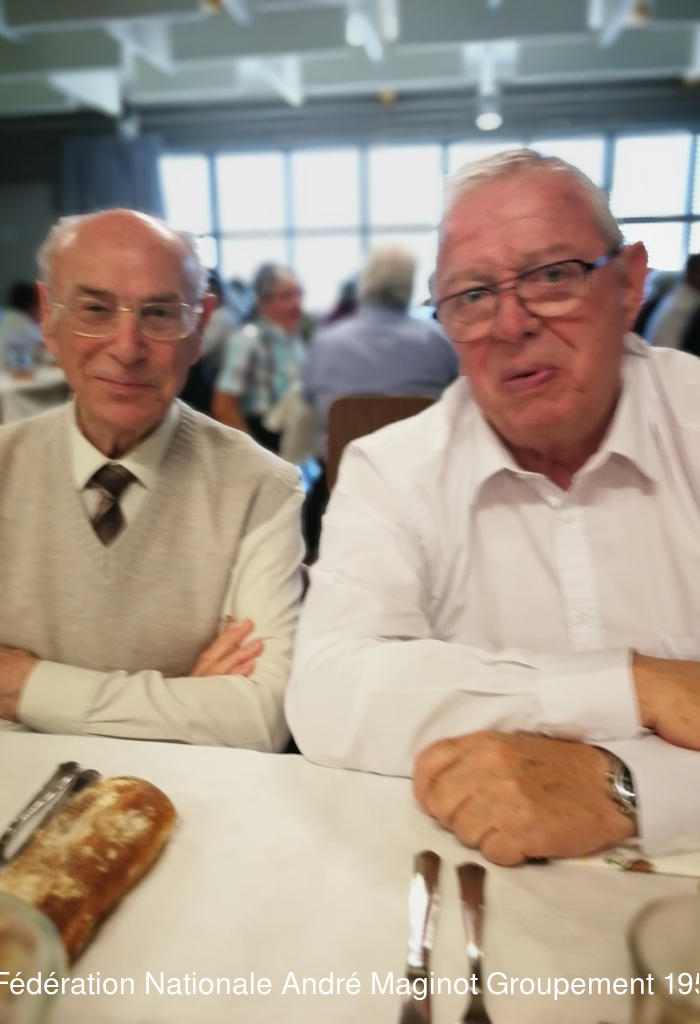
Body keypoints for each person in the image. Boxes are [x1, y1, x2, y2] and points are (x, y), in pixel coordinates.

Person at [286, 149, 700, 865]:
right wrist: (633, 685)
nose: (511, 324)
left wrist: (628, 788)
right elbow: (329, 691)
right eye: (473, 295)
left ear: (629, 281)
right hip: (477, 872)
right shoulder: (393, 469)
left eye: (552, 276)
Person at [0, 209, 304, 751]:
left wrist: (31, 688)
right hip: (20, 796)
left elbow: (260, 718)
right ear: (47, 316)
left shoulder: (260, 487)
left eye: (160, 314)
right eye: (95, 309)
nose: (127, 348)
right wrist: (182, 707)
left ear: (199, 327)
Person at [302, 243, 458, 461]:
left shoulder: (325, 343)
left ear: (365, 282)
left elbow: (308, 400)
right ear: (409, 285)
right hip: (419, 468)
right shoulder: (437, 341)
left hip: (342, 470)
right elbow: (460, 396)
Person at [212, 263, 306, 452]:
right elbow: (223, 406)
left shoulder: (293, 340)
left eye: (298, 294)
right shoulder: (248, 339)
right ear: (264, 303)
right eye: (287, 296)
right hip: (266, 438)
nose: (297, 303)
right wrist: (256, 454)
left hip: (296, 436)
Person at [641, 253, 700, 349]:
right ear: (692, 274)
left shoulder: (674, 294)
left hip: (655, 351)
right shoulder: (690, 303)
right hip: (669, 354)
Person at [0, 280, 43, 372]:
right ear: (31, 305)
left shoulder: (7, 317)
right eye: (39, 305)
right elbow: (46, 345)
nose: (42, 311)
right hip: (7, 373)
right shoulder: (21, 323)